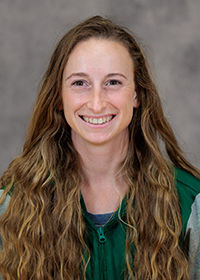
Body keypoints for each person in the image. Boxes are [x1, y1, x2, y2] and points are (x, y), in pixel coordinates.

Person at [0, 15, 200, 280]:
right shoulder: (12, 202)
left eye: (113, 82)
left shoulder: (189, 202)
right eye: (79, 83)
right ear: (59, 97)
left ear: (137, 94)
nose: (96, 103)